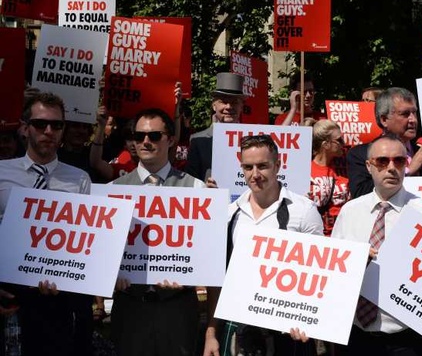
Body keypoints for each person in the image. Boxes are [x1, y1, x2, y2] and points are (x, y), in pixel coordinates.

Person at [204, 134, 323, 356]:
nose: (255, 174)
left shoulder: (304, 211)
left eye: (263, 166)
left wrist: (309, 322)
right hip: (238, 327)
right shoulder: (230, 214)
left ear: (278, 165)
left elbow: (317, 277)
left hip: (288, 331)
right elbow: (219, 281)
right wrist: (211, 334)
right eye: (248, 167)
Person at [332, 134, 422, 356]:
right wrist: (355, 262)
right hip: (355, 336)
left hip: (408, 339)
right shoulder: (350, 211)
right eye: (382, 161)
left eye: (399, 161)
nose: (391, 168)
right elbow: (333, 268)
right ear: (369, 166)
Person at [0, 92, 92, 356]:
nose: (49, 131)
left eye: (57, 125)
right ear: (25, 128)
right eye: (40, 124)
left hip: (62, 297)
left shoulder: (80, 179)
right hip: (11, 296)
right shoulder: (2, 173)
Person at [111, 108, 206, 356]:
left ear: (170, 139)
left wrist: (190, 274)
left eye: (154, 135)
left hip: (178, 309)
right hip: (130, 308)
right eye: (139, 135)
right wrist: (112, 275)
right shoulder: (111, 191)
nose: (145, 141)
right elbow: (102, 254)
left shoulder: (197, 189)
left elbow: (206, 251)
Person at [347, 87, 422, 198]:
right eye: (405, 114)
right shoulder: (360, 155)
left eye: (414, 113)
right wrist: (408, 171)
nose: (413, 120)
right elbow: (360, 193)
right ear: (384, 120)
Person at [186, 73, 245, 181]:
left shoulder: (252, 138)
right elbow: (191, 180)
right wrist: (205, 188)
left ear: (241, 106)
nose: (229, 107)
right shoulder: (198, 140)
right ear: (214, 105)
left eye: (234, 102)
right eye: (223, 102)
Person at [308, 120, 350, 236]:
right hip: (315, 235)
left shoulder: (346, 165)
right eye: (339, 140)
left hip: (342, 234)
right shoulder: (305, 169)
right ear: (325, 144)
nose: (344, 143)